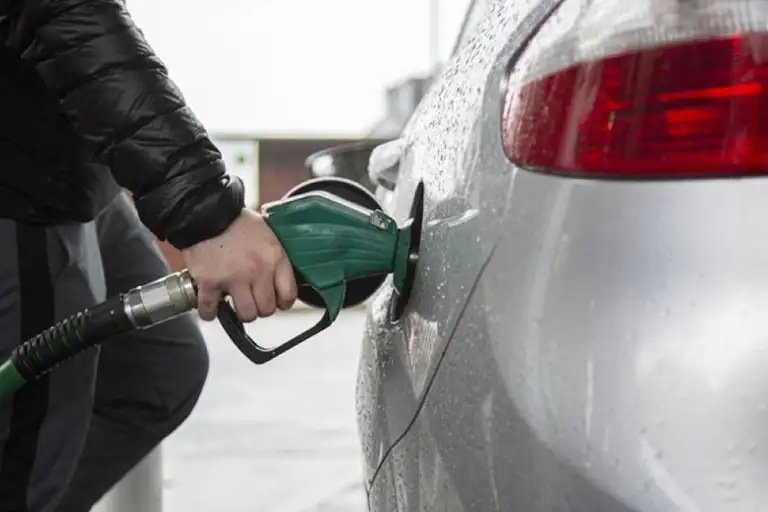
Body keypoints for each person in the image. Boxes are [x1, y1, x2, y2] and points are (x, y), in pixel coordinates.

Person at [0, 1, 298, 510]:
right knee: (28, 447)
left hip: (78, 171)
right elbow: (64, 11)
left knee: (158, 371)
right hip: (20, 184)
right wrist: (207, 215)